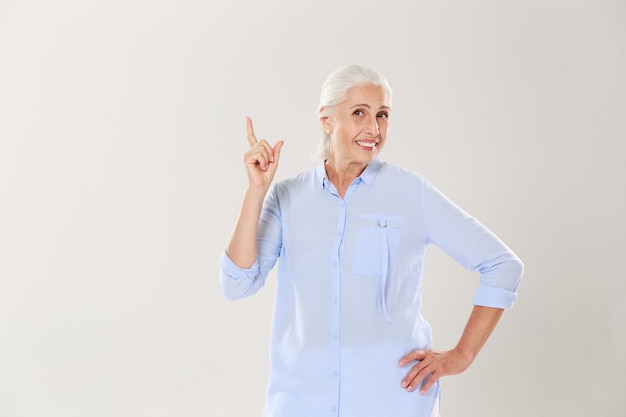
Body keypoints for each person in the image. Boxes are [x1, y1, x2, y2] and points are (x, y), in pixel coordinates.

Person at [219, 65, 523, 417]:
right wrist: (256, 192)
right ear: (326, 120)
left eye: (382, 115)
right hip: (301, 404)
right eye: (359, 113)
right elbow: (236, 284)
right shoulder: (289, 197)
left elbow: (502, 265)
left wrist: (462, 355)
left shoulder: (411, 193)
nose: (374, 129)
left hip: (391, 402)